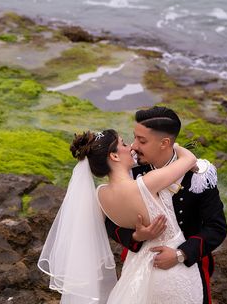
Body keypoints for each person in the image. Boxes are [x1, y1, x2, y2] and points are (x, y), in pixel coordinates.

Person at [38, 128, 203, 303]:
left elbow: (93, 233)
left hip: (135, 270)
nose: (131, 147)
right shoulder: (147, 183)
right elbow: (190, 159)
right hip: (171, 272)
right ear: (114, 156)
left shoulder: (100, 195)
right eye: (124, 144)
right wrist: (173, 146)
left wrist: (136, 236)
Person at [105, 106, 227, 304]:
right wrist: (136, 236)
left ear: (165, 143)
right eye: (134, 137)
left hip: (188, 267)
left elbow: (216, 228)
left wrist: (181, 254)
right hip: (140, 265)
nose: (134, 146)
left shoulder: (199, 175)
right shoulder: (131, 171)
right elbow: (110, 221)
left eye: (142, 140)